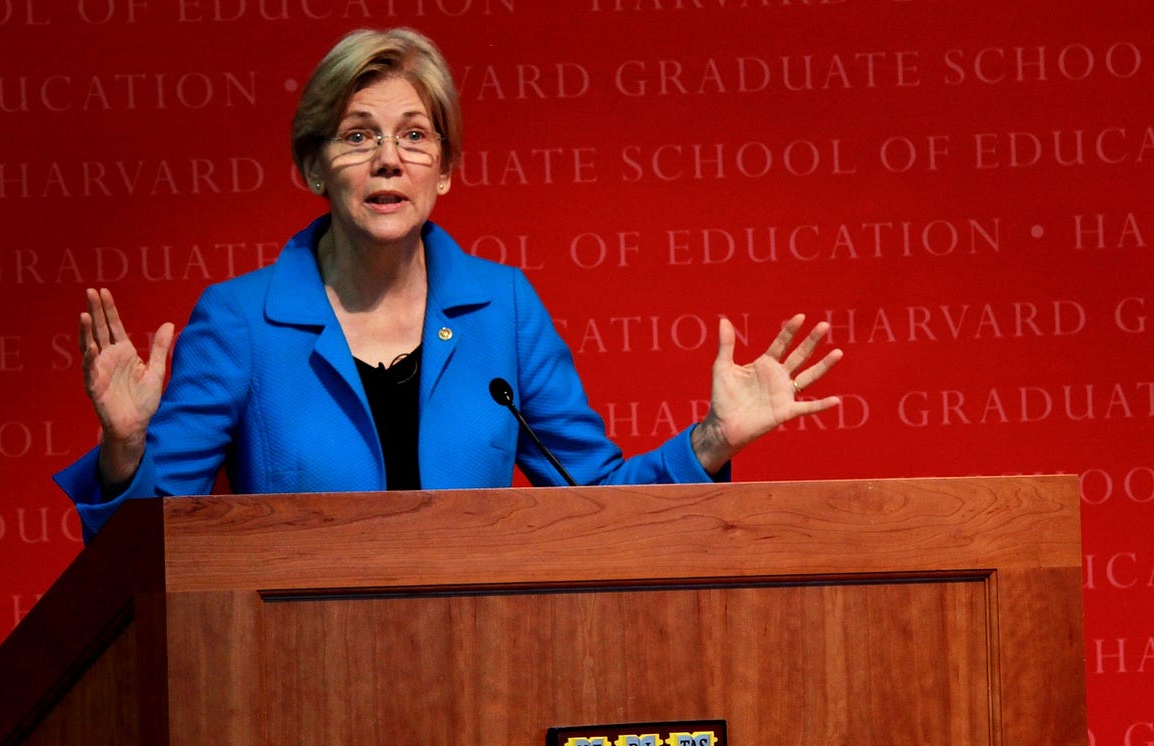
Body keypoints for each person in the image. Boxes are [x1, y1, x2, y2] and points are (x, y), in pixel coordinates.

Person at [55, 27, 843, 541]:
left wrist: (712, 439)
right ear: (312, 166)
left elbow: (598, 499)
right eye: (358, 136)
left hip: (478, 674)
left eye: (415, 137)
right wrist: (123, 451)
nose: (389, 160)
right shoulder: (240, 322)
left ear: (446, 172)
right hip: (288, 679)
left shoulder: (502, 309)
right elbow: (147, 556)